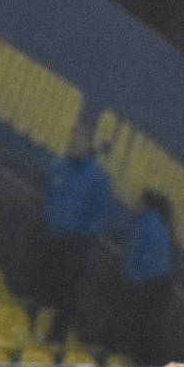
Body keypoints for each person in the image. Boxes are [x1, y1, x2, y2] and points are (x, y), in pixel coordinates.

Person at [40, 120, 116, 346]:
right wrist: (49, 218)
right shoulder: (58, 167)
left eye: (79, 137)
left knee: (68, 288)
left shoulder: (96, 177)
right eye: (72, 136)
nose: (74, 141)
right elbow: (48, 194)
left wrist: (84, 233)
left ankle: (58, 334)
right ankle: (37, 325)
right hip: (51, 235)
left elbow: (102, 211)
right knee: (45, 282)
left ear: (88, 142)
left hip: (76, 242)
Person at [119, 192, 174, 365]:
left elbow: (138, 256)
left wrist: (131, 277)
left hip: (145, 285)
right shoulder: (157, 224)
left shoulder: (147, 224)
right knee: (151, 331)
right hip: (154, 284)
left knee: (143, 331)